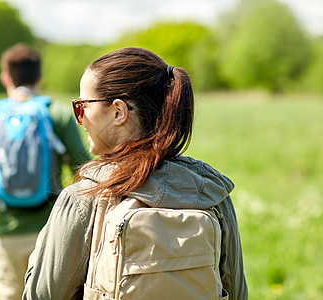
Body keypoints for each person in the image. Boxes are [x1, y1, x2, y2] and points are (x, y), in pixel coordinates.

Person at [22, 47, 248, 300]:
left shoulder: (84, 198)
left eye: (82, 106)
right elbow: (237, 293)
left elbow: (41, 295)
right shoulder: (211, 194)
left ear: (118, 111)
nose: (81, 119)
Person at [0, 43, 90, 300]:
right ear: (40, 77)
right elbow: (85, 170)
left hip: (9, 233)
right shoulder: (58, 115)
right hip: (55, 232)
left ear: (5, 77)